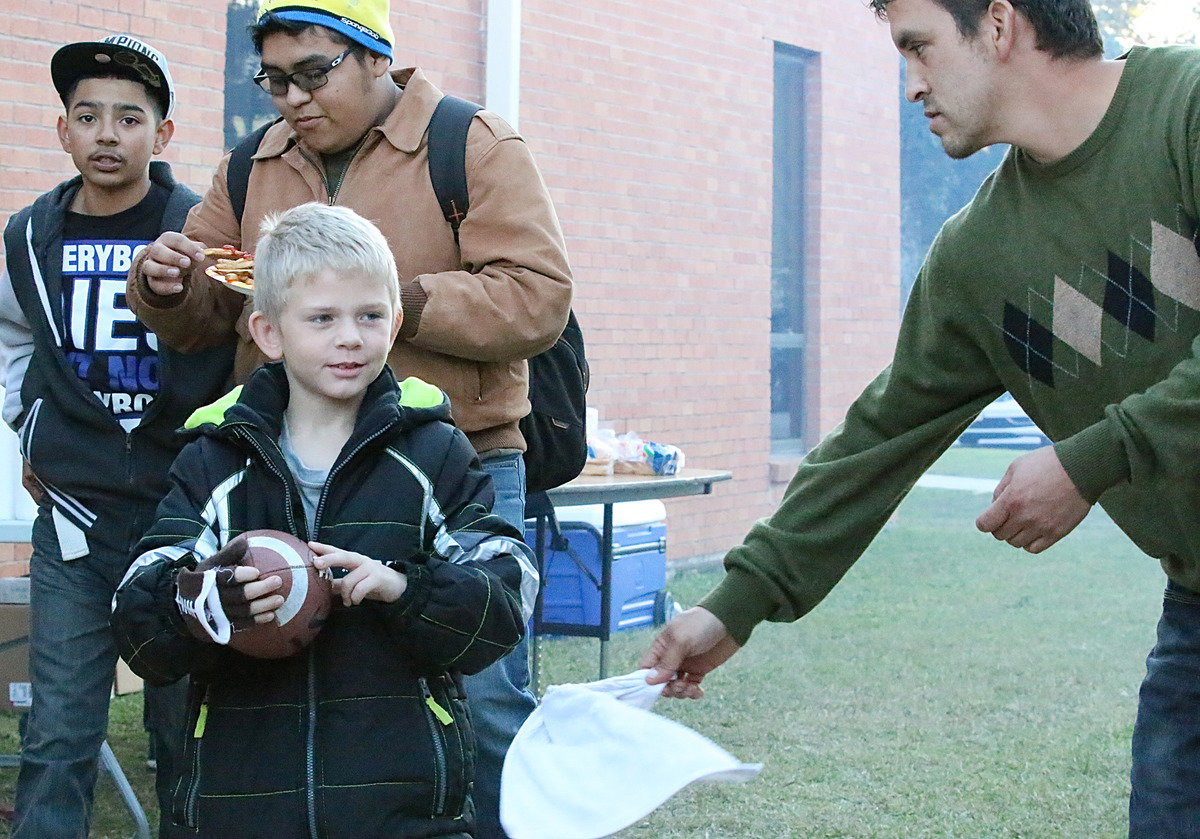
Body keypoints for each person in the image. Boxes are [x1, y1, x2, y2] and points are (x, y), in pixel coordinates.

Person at [641, 1, 1200, 834]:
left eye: (919, 48)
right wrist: (736, 601)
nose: (911, 85)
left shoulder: (1184, 108)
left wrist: (1092, 459)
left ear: (1000, 25)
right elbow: (878, 436)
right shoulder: (979, 259)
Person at [125, 3, 571, 833]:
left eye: (313, 72)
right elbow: (208, 313)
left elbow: (538, 296)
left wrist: (388, 304)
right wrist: (163, 286)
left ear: (375, 57)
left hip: (449, 459)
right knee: (287, 674)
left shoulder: (471, 144)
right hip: (282, 463)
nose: (290, 97)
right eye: (273, 79)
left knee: (482, 693)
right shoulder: (251, 162)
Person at [111, 202, 534, 838]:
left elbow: (509, 593)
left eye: (369, 316)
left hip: (400, 806)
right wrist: (207, 602)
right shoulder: (215, 460)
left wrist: (407, 589)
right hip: (243, 802)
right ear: (269, 333)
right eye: (322, 319)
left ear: (394, 323)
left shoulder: (434, 452)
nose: (349, 337)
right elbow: (137, 618)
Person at [0, 34, 234, 838]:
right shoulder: (30, 235)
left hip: (181, 520)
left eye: (129, 118)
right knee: (59, 729)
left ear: (162, 135)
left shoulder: (198, 225)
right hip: (74, 519)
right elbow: (12, 332)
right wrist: (29, 425)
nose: (107, 134)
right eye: (88, 115)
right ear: (62, 129)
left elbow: (240, 340)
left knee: (183, 731)